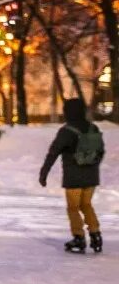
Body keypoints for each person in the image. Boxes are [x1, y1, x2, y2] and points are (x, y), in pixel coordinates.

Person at [40, 98, 105, 253]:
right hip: (91, 177)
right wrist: (91, 165)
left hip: (73, 178)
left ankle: (79, 237)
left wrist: (44, 172)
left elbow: (53, 152)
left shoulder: (66, 131)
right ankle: (96, 235)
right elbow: (101, 151)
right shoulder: (93, 128)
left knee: (73, 208)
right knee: (87, 205)